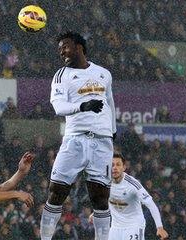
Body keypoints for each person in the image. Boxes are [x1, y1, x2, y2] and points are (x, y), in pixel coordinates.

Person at [41, 32, 116, 240]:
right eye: (60, 49)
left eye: (65, 47)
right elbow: (58, 107)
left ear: (79, 47)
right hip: (75, 139)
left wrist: (113, 131)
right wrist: (82, 106)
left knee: (100, 198)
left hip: (102, 141)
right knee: (56, 191)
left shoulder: (104, 73)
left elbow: (109, 102)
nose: (62, 52)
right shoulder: (61, 75)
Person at [108, 153, 168, 240]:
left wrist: (159, 227)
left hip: (134, 226)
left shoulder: (133, 184)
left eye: (118, 164)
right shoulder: (104, 183)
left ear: (124, 167)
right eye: (112, 165)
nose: (114, 168)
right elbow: (102, 200)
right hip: (115, 227)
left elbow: (151, 204)